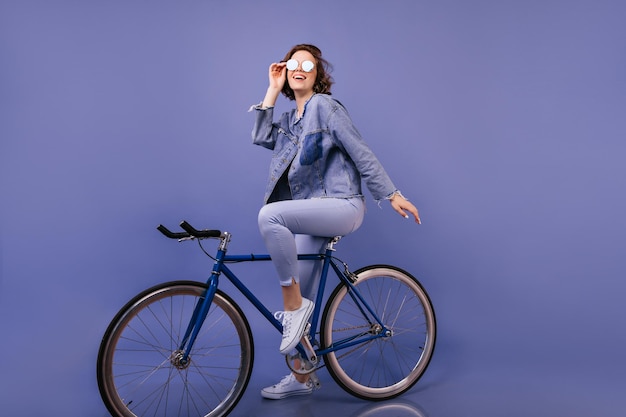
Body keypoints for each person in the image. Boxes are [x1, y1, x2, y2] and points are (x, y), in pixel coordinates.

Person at [250, 44, 420, 400]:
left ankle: (293, 309)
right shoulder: (289, 122)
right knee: (303, 298)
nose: (299, 68)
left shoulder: (324, 107)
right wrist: (271, 87)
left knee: (271, 216)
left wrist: (391, 194)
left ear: (317, 74)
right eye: (293, 63)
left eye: (307, 64)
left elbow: (360, 151)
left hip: (342, 205)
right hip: (313, 214)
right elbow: (261, 137)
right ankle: (301, 379)